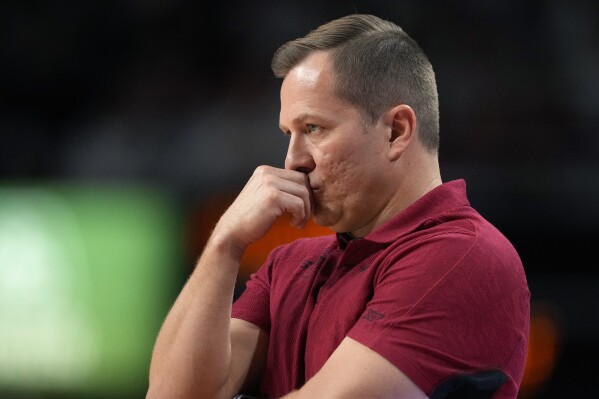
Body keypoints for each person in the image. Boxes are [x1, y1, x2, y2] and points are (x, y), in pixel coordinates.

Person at [146, 13, 530, 399]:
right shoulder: (288, 265)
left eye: (313, 128)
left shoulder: (464, 255)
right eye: (288, 134)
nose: (292, 160)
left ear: (396, 131)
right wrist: (224, 244)